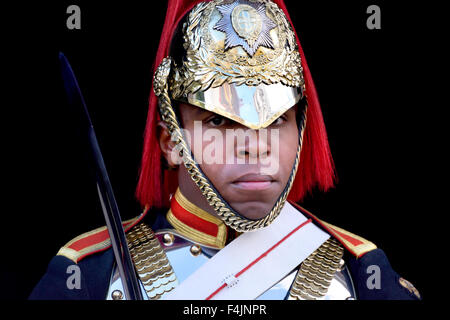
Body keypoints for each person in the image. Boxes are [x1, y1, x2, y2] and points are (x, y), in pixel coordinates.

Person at [29, 0, 420, 300]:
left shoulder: (365, 276)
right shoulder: (86, 278)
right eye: (219, 121)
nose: (255, 147)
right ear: (171, 143)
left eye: (277, 120)